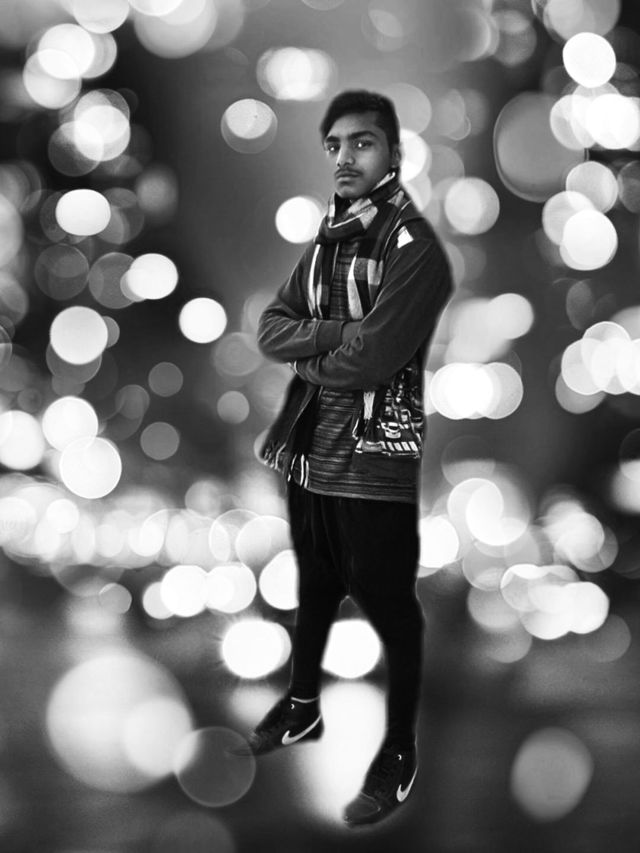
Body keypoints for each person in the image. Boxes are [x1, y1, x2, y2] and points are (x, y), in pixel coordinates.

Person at [241, 90, 452, 827]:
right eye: (334, 145)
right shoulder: (328, 240)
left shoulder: (414, 248)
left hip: (375, 453)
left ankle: (398, 752)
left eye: (361, 143)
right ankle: (303, 706)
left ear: (394, 153)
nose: (343, 157)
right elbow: (271, 329)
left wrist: (317, 349)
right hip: (310, 449)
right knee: (317, 582)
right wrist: (336, 333)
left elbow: (375, 359)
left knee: (390, 604)